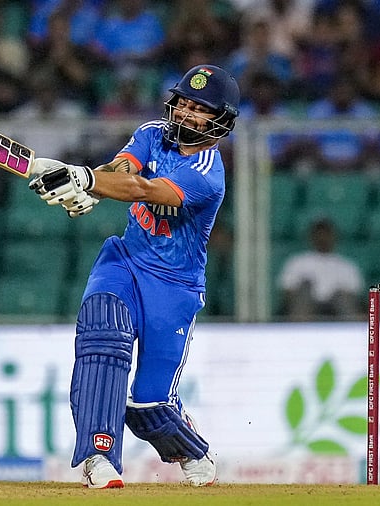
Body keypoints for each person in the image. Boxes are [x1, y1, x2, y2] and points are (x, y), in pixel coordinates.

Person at [27, 64, 240, 488]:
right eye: (182, 102)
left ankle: (191, 448)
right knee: (102, 338)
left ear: (221, 121)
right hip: (126, 261)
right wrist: (91, 185)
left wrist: (87, 179)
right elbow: (124, 169)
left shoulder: (207, 175)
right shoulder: (151, 133)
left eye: (199, 108)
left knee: (148, 407)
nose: (185, 113)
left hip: (174, 288)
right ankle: (98, 456)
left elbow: (143, 189)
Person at [276, 217, 364, 321]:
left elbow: (354, 296)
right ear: (311, 236)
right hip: (305, 309)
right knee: (304, 288)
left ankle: (351, 330)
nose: (322, 238)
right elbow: (287, 291)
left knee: (343, 296)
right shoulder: (297, 262)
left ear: (334, 236)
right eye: (319, 234)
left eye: (326, 234)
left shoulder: (347, 266)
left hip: (337, 310)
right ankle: (299, 328)